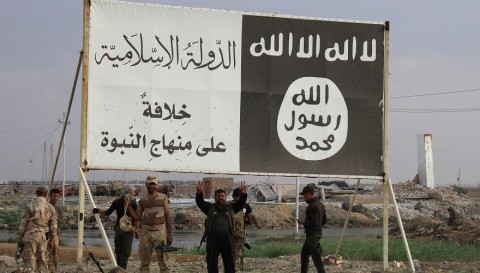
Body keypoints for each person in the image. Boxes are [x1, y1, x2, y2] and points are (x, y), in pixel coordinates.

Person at [196, 181, 248, 273]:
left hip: (228, 240)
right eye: (218, 196)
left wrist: (243, 194)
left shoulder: (231, 208)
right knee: (211, 263)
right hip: (212, 240)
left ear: (226, 197)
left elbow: (241, 203)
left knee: (229, 263)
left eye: (222, 196)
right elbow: (200, 203)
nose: (220, 198)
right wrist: (199, 194)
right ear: (215, 198)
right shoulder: (210, 208)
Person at [92, 184, 138, 269]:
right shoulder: (133, 203)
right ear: (129, 191)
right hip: (128, 230)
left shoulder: (116, 201)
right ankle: (122, 269)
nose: (134, 193)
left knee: (118, 251)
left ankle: (118, 268)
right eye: (133, 191)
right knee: (126, 252)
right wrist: (137, 231)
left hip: (118, 229)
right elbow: (136, 218)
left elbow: (107, 213)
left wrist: (97, 210)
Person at [134, 176, 173, 273]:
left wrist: (169, 234)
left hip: (160, 233)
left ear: (157, 185)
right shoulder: (142, 200)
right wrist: (128, 205)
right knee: (144, 263)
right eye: (150, 184)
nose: (151, 186)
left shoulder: (163, 197)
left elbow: (168, 216)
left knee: (163, 262)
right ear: (146, 185)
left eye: (153, 184)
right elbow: (137, 217)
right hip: (145, 234)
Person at [18, 186, 57, 273]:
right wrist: (52, 240)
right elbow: (53, 227)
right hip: (43, 237)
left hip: (31, 236)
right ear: (46, 194)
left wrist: (20, 237)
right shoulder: (50, 207)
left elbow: (23, 223)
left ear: (36, 193)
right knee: (42, 262)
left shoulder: (30, 205)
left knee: (29, 262)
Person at [297, 185, 327, 273]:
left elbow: (313, 223)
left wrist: (303, 223)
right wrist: (318, 227)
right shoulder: (320, 204)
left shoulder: (312, 206)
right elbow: (324, 220)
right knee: (304, 255)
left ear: (309, 194)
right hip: (315, 235)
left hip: (313, 236)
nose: (304, 198)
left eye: (304, 195)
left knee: (316, 259)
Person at [231, 188, 253, 271]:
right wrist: (243, 223)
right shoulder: (246, 205)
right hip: (240, 233)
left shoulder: (228, 205)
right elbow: (250, 221)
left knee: (230, 252)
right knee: (239, 251)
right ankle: (240, 268)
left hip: (229, 233)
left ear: (233, 195)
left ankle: (231, 268)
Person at [47, 188, 61, 273]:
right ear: (50, 196)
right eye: (54, 196)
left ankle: (55, 270)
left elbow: (58, 223)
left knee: (55, 253)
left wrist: (58, 235)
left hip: (55, 235)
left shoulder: (58, 209)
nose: (55, 198)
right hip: (46, 235)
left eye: (57, 196)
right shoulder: (46, 207)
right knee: (47, 254)